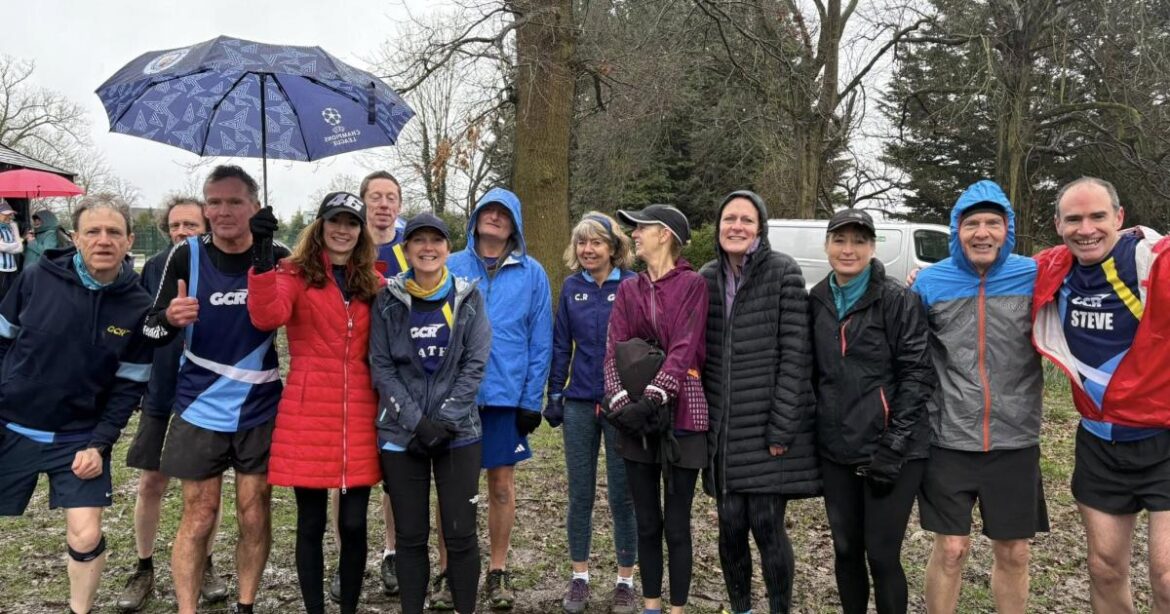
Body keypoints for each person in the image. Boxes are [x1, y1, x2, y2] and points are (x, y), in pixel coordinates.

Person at [141, 165, 290, 614]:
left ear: (255, 206)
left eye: (234, 202)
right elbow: (149, 329)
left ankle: (246, 605)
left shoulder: (277, 253)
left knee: (254, 511)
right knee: (200, 513)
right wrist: (170, 319)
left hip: (259, 405)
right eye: (214, 202)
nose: (223, 211)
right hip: (199, 405)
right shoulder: (185, 254)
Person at [0, 194, 153, 614]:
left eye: (114, 232)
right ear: (75, 237)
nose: (103, 240)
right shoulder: (35, 278)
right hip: (11, 424)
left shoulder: (139, 307)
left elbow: (128, 388)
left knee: (86, 536)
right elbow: (2, 338)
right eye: (93, 231)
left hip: (78, 437)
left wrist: (99, 444)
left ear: (129, 240)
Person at [1032, 177, 1170, 613]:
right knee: (1105, 568)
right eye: (1074, 219)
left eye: (1098, 217)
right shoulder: (1051, 268)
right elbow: (988, 271)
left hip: (1164, 437)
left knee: (1167, 576)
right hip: (1099, 441)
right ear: (1058, 224)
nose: (1086, 229)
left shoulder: (1155, 262)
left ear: (1120, 217)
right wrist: (926, 277)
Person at [911, 180, 1047, 614]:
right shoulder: (929, 282)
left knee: (1014, 552)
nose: (982, 232)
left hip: (1014, 438)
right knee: (951, 549)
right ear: (957, 230)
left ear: (1008, 230)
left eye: (993, 223)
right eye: (972, 224)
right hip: (948, 437)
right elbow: (906, 352)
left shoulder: (1035, 276)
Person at [247, 191, 384, 614]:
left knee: (354, 523)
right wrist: (262, 260)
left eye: (352, 222)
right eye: (335, 221)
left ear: (361, 231)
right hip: (308, 413)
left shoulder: (373, 283)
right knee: (311, 523)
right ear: (320, 226)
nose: (343, 230)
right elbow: (266, 316)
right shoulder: (293, 275)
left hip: (359, 411)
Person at [810, 208, 936, 614]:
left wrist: (893, 445)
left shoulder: (897, 299)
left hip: (893, 448)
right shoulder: (817, 300)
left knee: (881, 554)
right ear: (827, 245)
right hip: (837, 447)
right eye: (840, 240)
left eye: (859, 241)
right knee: (846, 549)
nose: (849, 250)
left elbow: (917, 374)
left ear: (872, 247)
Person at [701, 191, 820, 614]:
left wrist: (782, 426)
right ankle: (741, 608)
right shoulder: (706, 278)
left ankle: (779, 609)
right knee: (730, 526)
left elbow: (796, 355)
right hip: (724, 429)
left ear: (760, 228)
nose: (736, 226)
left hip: (769, 426)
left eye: (746, 220)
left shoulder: (783, 273)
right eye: (729, 218)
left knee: (767, 524)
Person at [370, 213, 491, 614]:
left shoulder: (468, 298)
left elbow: (475, 364)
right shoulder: (388, 300)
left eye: (436, 240)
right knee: (410, 536)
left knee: (460, 535)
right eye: (418, 240)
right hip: (402, 434)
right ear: (406, 250)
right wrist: (417, 424)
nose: (427, 248)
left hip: (459, 434)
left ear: (447, 248)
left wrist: (446, 420)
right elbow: (382, 367)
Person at [441, 187, 552, 610]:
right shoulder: (451, 265)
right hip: (456, 397)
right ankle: (448, 570)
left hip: (506, 396)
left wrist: (531, 400)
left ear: (515, 224)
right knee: (454, 490)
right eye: (488, 210)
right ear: (475, 218)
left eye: (504, 213)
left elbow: (541, 340)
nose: (495, 217)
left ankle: (498, 570)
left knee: (501, 486)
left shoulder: (532, 273)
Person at [118, 197, 227, 611]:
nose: (182, 231)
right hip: (162, 390)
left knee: (204, 490)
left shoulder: (220, 265)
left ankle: (205, 562)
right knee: (151, 483)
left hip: (206, 394)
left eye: (191, 225)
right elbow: (142, 326)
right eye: (176, 225)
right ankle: (143, 567)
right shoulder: (154, 266)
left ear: (206, 227)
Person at [604, 204, 709, 614]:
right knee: (647, 522)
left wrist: (652, 398)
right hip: (635, 422)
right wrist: (621, 404)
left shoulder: (693, 285)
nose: (634, 234)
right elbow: (613, 349)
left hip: (683, 419)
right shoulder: (628, 289)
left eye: (641, 228)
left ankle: (677, 608)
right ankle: (650, 605)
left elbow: (684, 348)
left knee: (677, 526)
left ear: (664, 234)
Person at [546, 212, 639, 614]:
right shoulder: (571, 288)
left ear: (614, 248)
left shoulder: (632, 285)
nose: (588, 250)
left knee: (623, 496)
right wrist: (555, 393)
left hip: (622, 405)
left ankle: (625, 581)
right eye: (582, 242)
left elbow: (644, 343)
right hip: (581, 402)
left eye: (596, 242)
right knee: (580, 493)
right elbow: (560, 345)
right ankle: (579, 577)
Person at [0, 199, 21, 300]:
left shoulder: (12, 227)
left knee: (12, 295)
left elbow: (20, 248)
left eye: (10, 214)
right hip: (1, 269)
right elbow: (1, 247)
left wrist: (7, 246)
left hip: (13, 267)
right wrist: (15, 244)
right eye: (6, 214)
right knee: (2, 295)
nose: (9, 216)